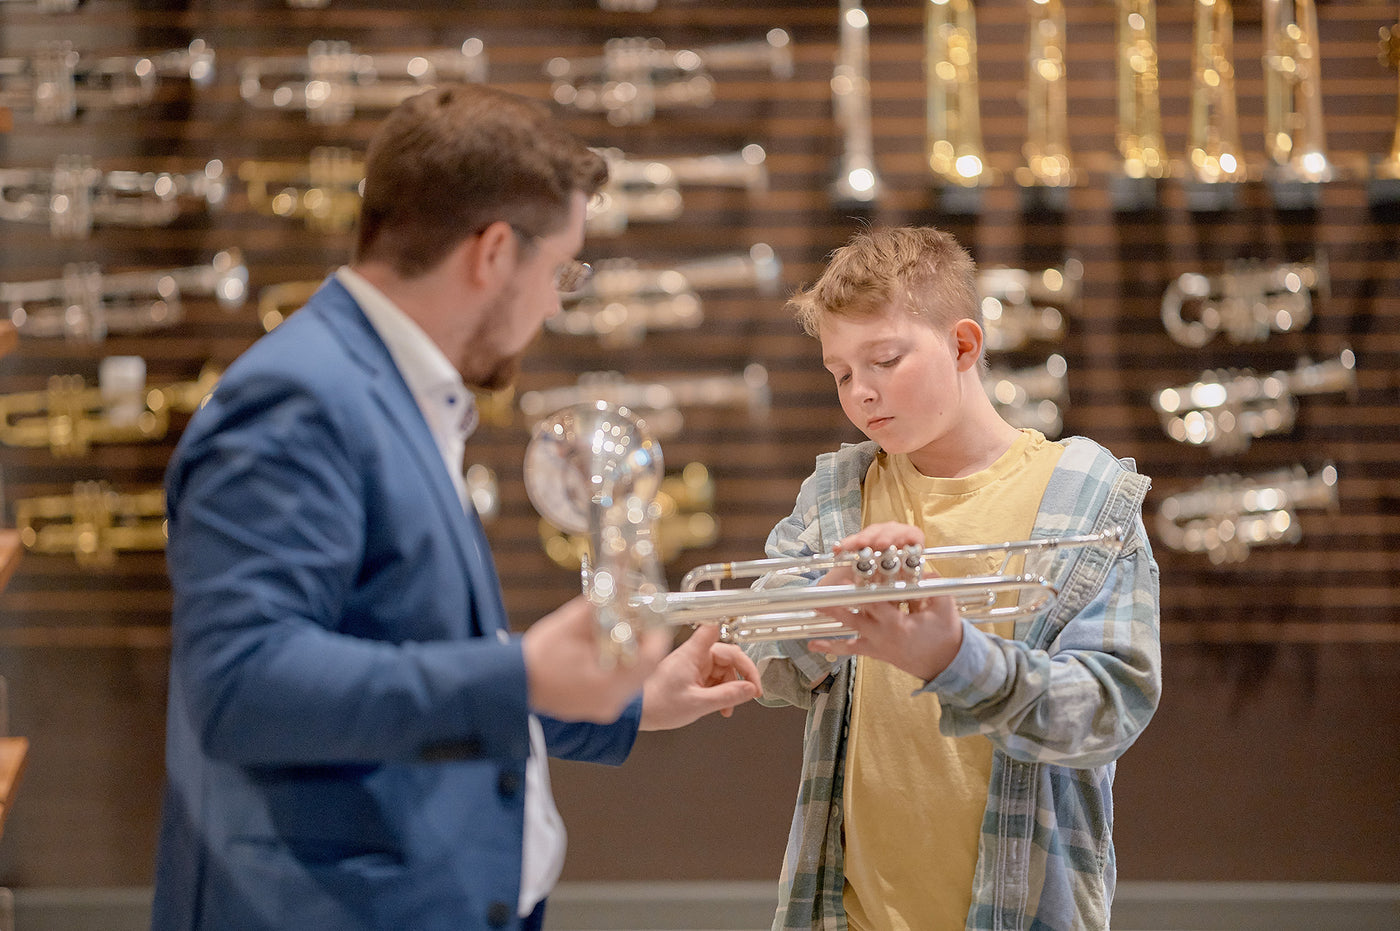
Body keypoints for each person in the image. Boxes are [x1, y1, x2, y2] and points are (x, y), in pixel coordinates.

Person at [150, 83, 761, 931]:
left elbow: (395, 649)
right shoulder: (300, 398)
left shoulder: (391, 388)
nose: (554, 304)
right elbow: (243, 685)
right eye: (559, 273)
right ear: (493, 253)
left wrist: (624, 698)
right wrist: (521, 673)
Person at [745, 226, 1161, 931]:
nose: (861, 393)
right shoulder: (837, 494)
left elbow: (1107, 709)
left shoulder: (1089, 494)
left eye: (883, 359)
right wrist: (822, 608)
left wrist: (953, 658)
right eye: (841, 372)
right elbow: (759, 661)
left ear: (964, 346)